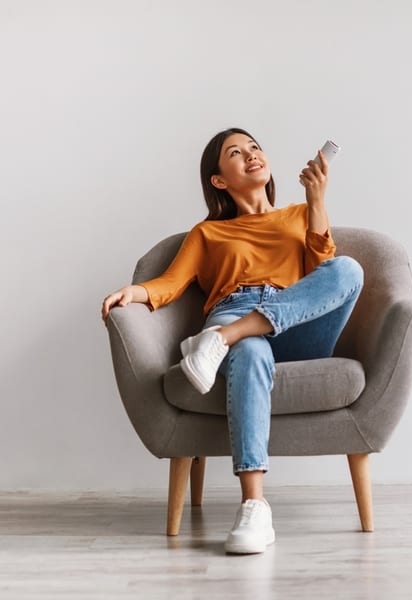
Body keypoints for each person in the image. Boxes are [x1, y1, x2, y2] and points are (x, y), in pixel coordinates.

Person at [100, 127, 364, 555]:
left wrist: (317, 201)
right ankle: (254, 506)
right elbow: (170, 282)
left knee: (348, 269)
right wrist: (135, 293)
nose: (251, 155)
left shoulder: (299, 214)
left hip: (294, 324)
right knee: (251, 350)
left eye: (255, 148)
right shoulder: (207, 234)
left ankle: (219, 340)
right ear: (219, 179)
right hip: (236, 309)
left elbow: (323, 274)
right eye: (236, 153)